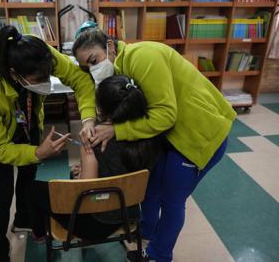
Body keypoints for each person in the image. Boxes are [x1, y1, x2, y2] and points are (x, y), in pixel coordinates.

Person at [72, 27, 236, 262]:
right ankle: (146, 233)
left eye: (93, 60)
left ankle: (159, 255)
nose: (93, 69)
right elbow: (93, 94)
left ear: (109, 46)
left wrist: (116, 130)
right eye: (87, 66)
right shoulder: (119, 67)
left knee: (171, 200)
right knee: (151, 188)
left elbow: (166, 115)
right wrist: (90, 120)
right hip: (168, 136)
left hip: (198, 134)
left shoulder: (142, 56)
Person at [0, 25, 97, 262]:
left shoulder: (39, 53)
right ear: (13, 73)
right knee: (2, 191)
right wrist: (38, 152)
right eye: (40, 79)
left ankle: (24, 220)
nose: (47, 82)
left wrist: (88, 119)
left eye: (49, 75)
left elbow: (80, 79)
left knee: (28, 178)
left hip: (27, 122)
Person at [27, 75, 163, 241]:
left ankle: (39, 235)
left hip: (95, 226)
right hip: (129, 215)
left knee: (31, 189)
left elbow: (84, 195)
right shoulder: (151, 137)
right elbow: (121, 171)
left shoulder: (93, 141)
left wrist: (81, 175)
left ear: (99, 110)